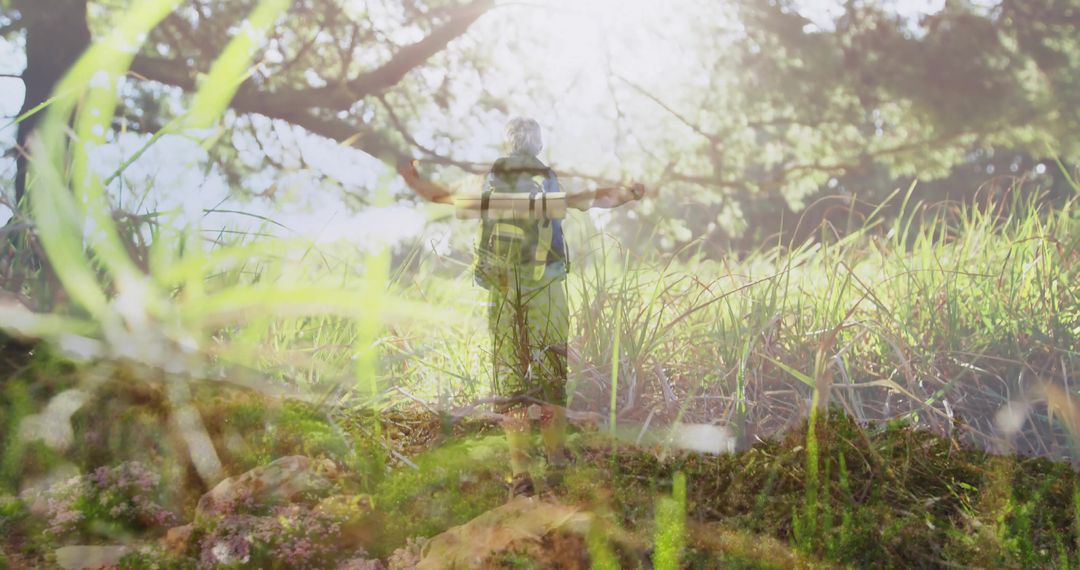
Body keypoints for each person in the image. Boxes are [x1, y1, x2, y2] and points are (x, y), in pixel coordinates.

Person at [398, 117, 644, 499]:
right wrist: (630, 191)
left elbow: (438, 196)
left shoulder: (490, 190)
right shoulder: (550, 186)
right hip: (545, 287)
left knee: (510, 385)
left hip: (502, 291)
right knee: (551, 377)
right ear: (538, 147)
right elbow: (598, 197)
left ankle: (520, 475)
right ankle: (557, 462)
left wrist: (410, 176)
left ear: (507, 146)